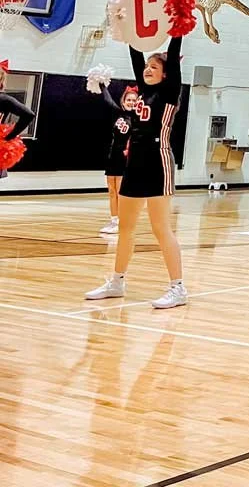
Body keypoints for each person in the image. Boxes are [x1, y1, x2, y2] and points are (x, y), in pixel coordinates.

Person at [85, 37, 187, 309]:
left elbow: (174, 54)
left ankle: (178, 288)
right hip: (135, 163)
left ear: (166, 74)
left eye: (154, 66)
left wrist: (178, 29)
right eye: (147, 66)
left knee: (160, 228)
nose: (148, 69)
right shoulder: (142, 90)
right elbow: (135, 56)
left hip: (158, 161)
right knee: (126, 229)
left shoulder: (169, 91)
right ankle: (117, 281)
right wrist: (130, 31)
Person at [96, 84, 139, 235]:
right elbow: (108, 101)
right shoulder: (118, 113)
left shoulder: (137, 119)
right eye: (129, 100)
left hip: (125, 157)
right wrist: (102, 85)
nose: (131, 102)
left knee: (121, 191)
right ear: (123, 100)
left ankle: (123, 220)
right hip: (113, 155)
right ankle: (114, 220)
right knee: (111, 191)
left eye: (134, 100)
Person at [0, 61, 35, 178]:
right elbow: (29, 115)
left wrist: (10, 136)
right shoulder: (5, 100)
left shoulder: (4, 100)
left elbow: (29, 114)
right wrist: (10, 136)